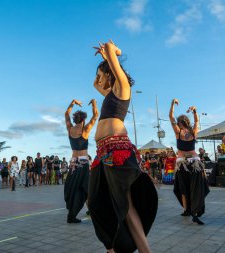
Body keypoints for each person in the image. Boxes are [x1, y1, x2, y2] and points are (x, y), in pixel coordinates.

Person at [89, 40, 158, 253]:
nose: (100, 80)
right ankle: (113, 248)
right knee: (97, 203)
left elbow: (112, 51)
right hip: (103, 153)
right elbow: (95, 85)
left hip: (118, 150)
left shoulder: (122, 88)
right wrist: (103, 63)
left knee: (125, 206)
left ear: (110, 72)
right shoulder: (110, 94)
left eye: (102, 75)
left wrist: (111, 54)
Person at [169, 99, 209, 225]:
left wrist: (172, 104)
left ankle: (188, 210)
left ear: (180, 123)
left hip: (182, 163)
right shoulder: (193, 132)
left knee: (183, 187)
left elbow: (170, 117)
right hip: (195, 162)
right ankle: (193, 211)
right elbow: (197, 121)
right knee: (196, 187)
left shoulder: (178, 132)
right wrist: (195, 110)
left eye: (178, 122)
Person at [64, 98, 98, 223]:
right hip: (83, 162)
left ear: (75, 119)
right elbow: (95, 116)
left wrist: (73, 102)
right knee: (85, 187)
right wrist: (94, 103)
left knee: (73, 187)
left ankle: (72, 215)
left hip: (73, 162)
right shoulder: (85, 130)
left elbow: (66, 114)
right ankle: (89, 211)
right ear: (83, 120)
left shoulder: (70, 129)